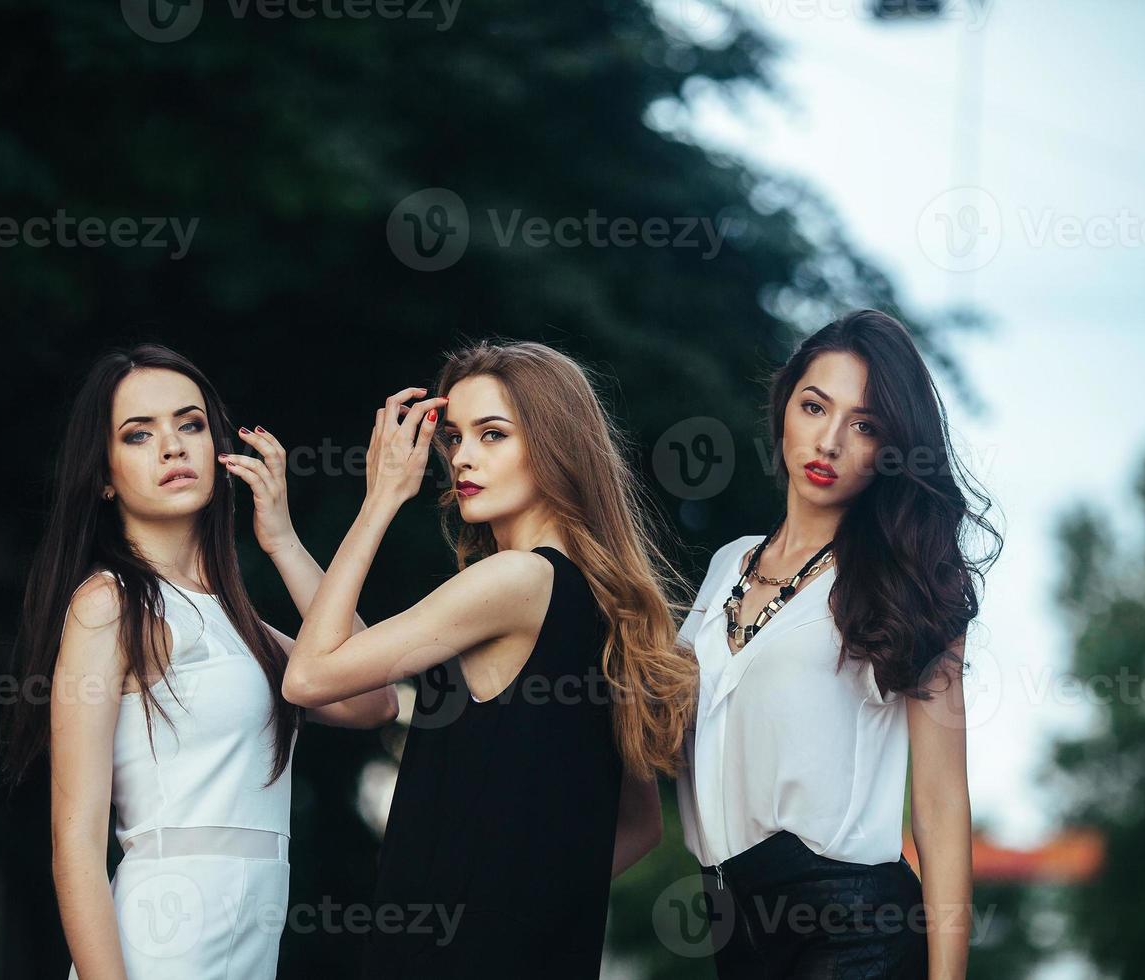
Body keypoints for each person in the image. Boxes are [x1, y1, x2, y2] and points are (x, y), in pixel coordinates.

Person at [280, 340, 697, 978]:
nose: (463, 458)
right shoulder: (604, 606)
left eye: (493, 434)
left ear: (558, 446)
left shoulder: (515, 581)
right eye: (454, 437)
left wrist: (380, 500)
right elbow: (642, 826)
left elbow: (311, 676)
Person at [0, 343, 397, 979]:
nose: (173, 447)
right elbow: (74, 845)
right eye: (138, 434)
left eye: (190, 424)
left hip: (246, 953)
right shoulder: (109, 605)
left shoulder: (237, 623)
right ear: (102, 474)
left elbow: (373, 697)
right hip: (158, 948)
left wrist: (284, 542)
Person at [677, 310, 998, 978]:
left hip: (855, 933)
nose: (828, 441)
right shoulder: (727, 565)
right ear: (784, 407)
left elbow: (939, 805)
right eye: (814, 406)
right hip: (733, 928)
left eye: (865, 425)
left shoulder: (907, 584)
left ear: (891, 449)